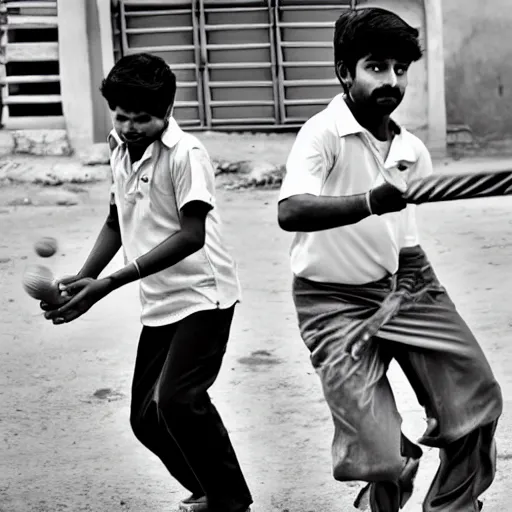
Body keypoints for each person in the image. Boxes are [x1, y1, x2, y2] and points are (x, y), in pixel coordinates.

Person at [277, 8, 502, 512]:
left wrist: (414, 288)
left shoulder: (411, 148)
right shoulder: (321, 135)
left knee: (478, 398)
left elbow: (403, 238)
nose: (392, 81)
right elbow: (290, 211)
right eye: (377, 67)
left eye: (400, 69)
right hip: (329, 301)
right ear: (345, 71)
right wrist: (372, 200)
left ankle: (453, 506)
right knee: (378, 455)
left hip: (403, 284)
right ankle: (386, 478)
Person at [42, 53, 252, 512]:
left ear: (167, 113)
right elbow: (118, 220)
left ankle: (230, 501)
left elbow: (191, 235)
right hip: (160, 300)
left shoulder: (186, 155)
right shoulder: (119, 149)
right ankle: (205, 488)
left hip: (203, 296)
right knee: (145, 419)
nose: (130, 126)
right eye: (121, 116)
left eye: (143, 118)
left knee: (179, 400)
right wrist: (84, 280)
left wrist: (111, 283)